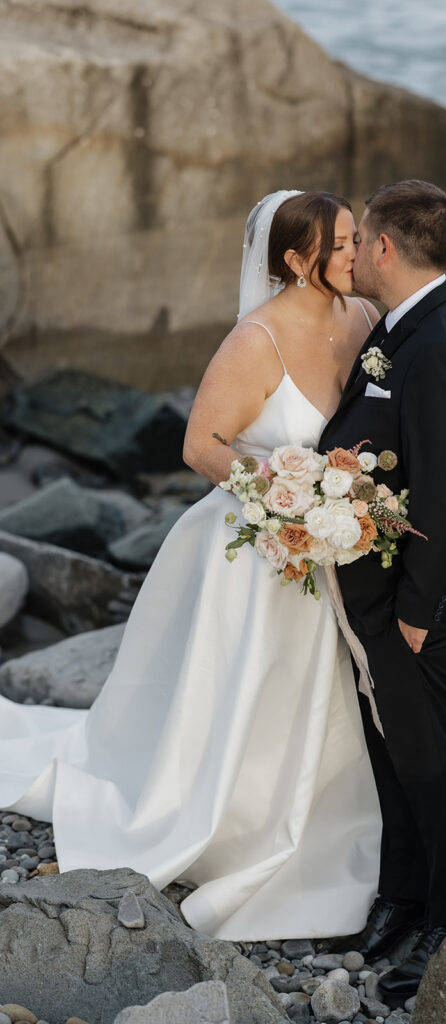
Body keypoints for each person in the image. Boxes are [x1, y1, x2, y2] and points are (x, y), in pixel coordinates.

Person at [0, 189, 387, 940]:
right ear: (296, 260)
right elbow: (202, 446)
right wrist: (286, 499)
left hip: (342, 542)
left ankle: (347, 817)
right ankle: (238, 822)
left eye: (354, 238)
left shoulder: (365, 319)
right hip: (259, 550)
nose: (355, 251)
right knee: (250, 688)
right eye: (340, 244)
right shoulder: (257, 340)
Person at [317, 179, 446, 1007]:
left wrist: (419, 613)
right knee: (391, 749)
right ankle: (406, 894)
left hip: (426, 604)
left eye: (359, 244)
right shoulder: (401, 330)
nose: (349, 255)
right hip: (382, 594)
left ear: (386, 248)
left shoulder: (445, 348)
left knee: (426, 761)